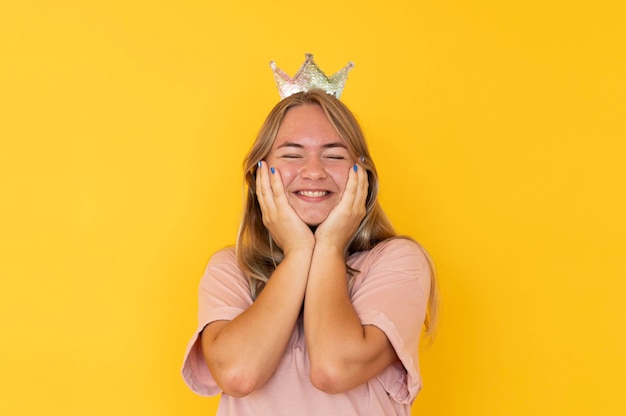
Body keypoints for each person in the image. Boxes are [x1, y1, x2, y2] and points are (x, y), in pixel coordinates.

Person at [181, 61, 437, 415]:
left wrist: (328, 246)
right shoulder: (230, 269)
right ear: (259, 175)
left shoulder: (398, 261)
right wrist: (299, 251)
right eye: (291, 154)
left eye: (333, 155)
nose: (313, 171)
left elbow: (334, 369)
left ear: (360, 174)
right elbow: (238, 374)